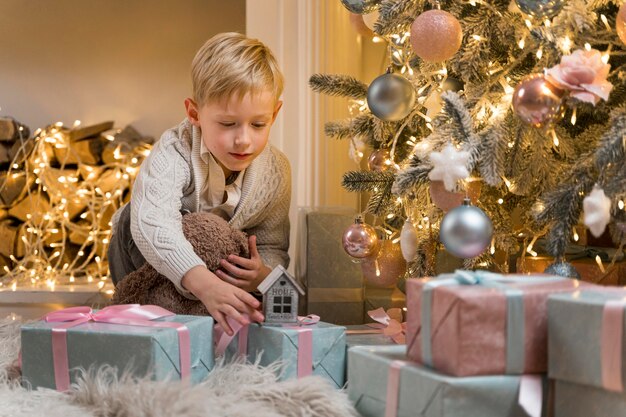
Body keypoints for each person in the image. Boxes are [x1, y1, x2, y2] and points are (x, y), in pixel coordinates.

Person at [107, 32, 290, 335]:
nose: (244, 139)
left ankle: (203, 321)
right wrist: (202, 281)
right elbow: (151, 222)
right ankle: (152, 313)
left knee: (242, 253)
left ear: (275, 113)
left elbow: (271, 243)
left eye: (259, 124)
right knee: (136, 216)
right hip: (139, 258)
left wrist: (261, 275)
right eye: (227, 124)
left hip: (219, 266)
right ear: (194, 113)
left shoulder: (276, 170)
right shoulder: (174, 150)